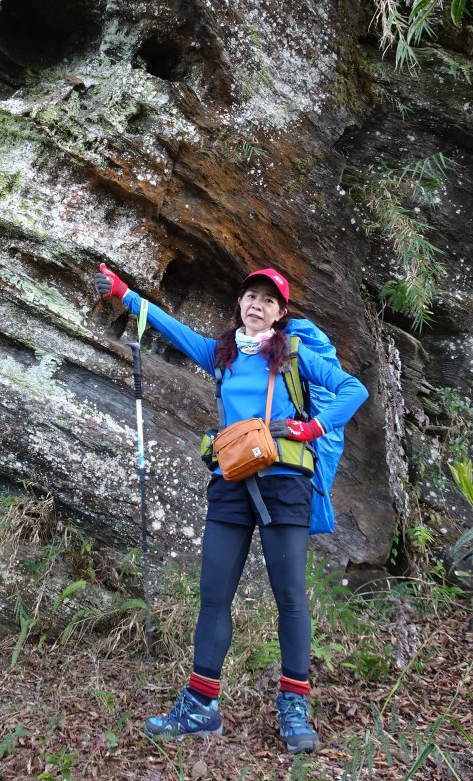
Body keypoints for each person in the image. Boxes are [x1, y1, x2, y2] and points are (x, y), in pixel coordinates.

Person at [95, 263, 368, 754]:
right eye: (250, 296)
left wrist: (314, 427)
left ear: (280, 313)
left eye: (268, 299)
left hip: (285, 481)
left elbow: (354, 390)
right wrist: (125, 295)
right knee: (213, 594)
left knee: (289, 596)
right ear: (240, 304)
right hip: (230, 480)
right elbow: (171, 328)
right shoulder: (221, 354)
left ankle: (294, 705)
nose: (256, 304)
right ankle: (200, 707)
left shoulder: (293, 355)